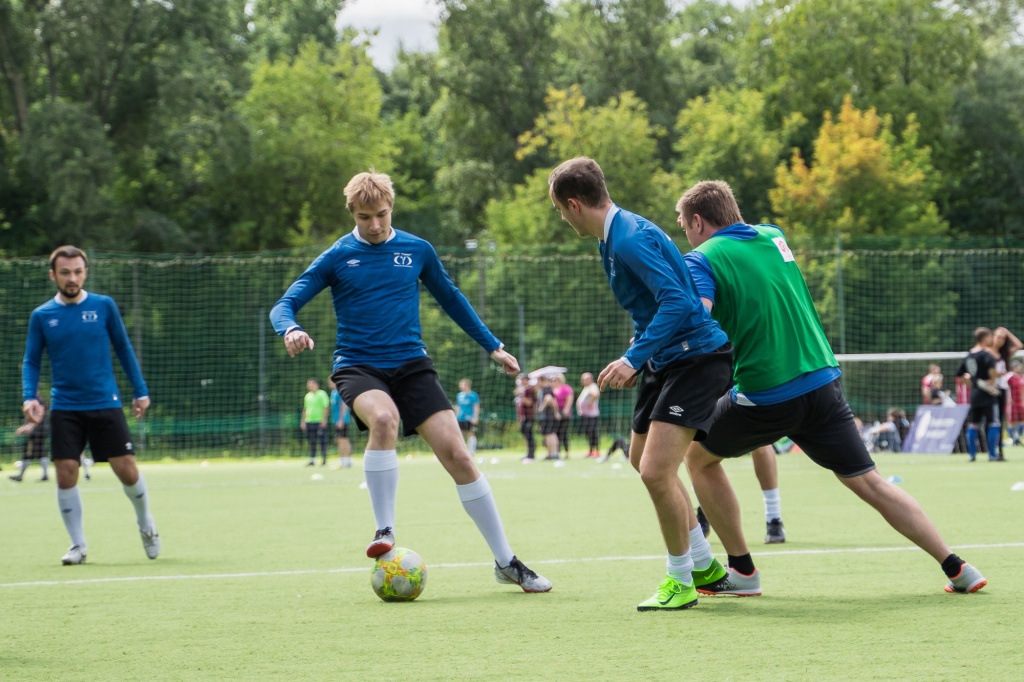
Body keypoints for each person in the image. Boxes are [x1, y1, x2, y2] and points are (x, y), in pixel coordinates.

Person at [677, 180, 986, 595]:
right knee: (871, 482)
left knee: (698, 459)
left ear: (698, 221)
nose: (683, 232)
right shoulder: (774, 236)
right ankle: (957, 567)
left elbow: (698, 320)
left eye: (682, 223)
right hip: (823, 382)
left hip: (766, 394)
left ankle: (743, 572)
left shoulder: (700, 259)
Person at [270, 170, 551, 593]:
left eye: (382, 215)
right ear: (353, 214)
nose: (376, 225)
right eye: (366, 217)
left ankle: (506, 562)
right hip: (358, 366)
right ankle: (384, 530)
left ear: (391, 209)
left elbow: (452, 297)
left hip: (412, 365)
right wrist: (290, 328)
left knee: (459, 455)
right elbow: (285, 303)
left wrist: (492, 345)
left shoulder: (416, 250)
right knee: (384, 420)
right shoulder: (336, 256)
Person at [549, 156, 736, 610]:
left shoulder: (628, 239)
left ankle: (681, 581)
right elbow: (658, 301)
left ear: (573, 204)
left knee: (656, 470)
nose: (561, 217)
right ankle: (705, 563)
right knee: (640, 460)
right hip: (666, 357)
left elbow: (676, 300)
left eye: (559, 209)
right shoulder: (615, 235)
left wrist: (634, 357)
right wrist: (642, 346)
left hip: (696, 358)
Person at [21, 245, 159, 565]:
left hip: (105, 403)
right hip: (65, 406)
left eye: (78, 271)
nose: (73, 278)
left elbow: (124, 349)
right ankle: (78, 545)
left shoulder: (103, 306)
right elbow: (31, 361)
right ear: (53, 275)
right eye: (65, 272)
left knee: (126, 470)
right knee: (66, 471)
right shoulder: (42, 316)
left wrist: (140, 391)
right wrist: (30, 396)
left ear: (86, 272)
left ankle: (146, 524)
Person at [958, 327, 1001, 462]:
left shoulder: (969, 355)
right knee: (993, 423)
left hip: (975, 395)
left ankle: (972, 455)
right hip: (988, 395)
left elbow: (960, 375)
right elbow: (993, 370)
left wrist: (971, 384)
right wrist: (992, 382)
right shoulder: (986, 355)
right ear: (985, 338)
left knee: (973, 424)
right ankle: (992, 454)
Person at [991, 327, 1022, 461]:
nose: (1000, 340)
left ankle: (1000, 450)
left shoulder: (1004, 355)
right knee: (991, 420)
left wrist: (1008, 333)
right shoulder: (987, 352)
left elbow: (1019, 345)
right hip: (988, 389)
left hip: (1001, 390)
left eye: (1003, 338)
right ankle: (990, 449)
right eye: (998, 336)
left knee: (1000, 420)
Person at [10, 395, 51, 482]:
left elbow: (39, 416)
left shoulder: (38, 400)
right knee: (40, 452)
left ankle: (21, 476)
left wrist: (28, 427)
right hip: (39, 430)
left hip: (36, 432)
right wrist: (25, 427)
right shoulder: (34, 399)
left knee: (28, 453)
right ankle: (45, 475)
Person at [301, 377, 331, 466]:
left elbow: (326, 407)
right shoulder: (307, 396)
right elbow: (305, 409)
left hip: (319, 421)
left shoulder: (322, 394)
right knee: (312, 441)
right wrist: (303, 421)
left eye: (311, 384)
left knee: (322, 441)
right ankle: (312, 460)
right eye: (308, 384)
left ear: (316, 384)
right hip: (309, 421)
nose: (310, 386)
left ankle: (324, 459)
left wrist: (324, 419)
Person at [328, 377, 353, 468]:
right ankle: (343, 461)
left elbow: (344, 405)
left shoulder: (340, 392)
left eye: (330, 382)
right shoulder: (333, 393)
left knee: (343, 440)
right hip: (336, 420)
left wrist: (341, 420)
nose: (329, 384)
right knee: (340, 440)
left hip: (342, 421)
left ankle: (346, 461)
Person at [576, 372, 601, 457]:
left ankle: (596, 451)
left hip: (592, 415)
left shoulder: (592, 386)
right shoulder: (586, 388)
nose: (585, 381)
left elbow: (595, 394)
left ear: (591, 379)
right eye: (583, 379)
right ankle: (591, 451)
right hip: (585, 415)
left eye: (587, 379)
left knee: (593, 432)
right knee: (588, 433)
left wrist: (590, 402)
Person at [536, 374, 560, 460]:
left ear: (542, 381)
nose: (537, 383)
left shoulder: (546, 389)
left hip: (547, 416)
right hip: (548, 416)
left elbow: (549, 399)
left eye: (538, 381)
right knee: (550, 434)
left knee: (550, 434)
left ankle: (553, 454)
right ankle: (551, 454)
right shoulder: (546, 389)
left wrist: (541, 408)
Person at [514, 375, 537, 461]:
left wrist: (521, 396)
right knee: (524, 432)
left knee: (529, 434)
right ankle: (528, 453)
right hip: (524, 416)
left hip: (529, 415)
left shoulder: (530, 390)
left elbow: (529, 403)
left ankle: (531, 454)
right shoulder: (523, 390)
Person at [455, 378, 480, 457]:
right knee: (460, 435)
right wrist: (455, 416)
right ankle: (462, 452)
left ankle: (472, 452)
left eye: (462, 385)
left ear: (467, 385)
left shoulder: (473, 395)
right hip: (460, 418)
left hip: (470, 418)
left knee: (471, 434)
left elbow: (476, 406)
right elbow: (458, 407)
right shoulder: (459, 396)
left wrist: (475, 417)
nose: (461, 387)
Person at [552, 373, 574, 458]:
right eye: (553, 380)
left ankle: (567, 452)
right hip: (555, 412)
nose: (554, 382)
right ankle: (557, 452)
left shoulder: (566, 388)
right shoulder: (552, 389)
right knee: (556, 433)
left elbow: (569, 398)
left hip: (564, 412)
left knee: (564, 433)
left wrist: (566, 410)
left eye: (556, 380)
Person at [1007, 361, 1024, 446]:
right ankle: (1013, 438)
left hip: (1021, 402)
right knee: (1011, 421)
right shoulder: (1010, 378)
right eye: (1017, 366)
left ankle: (1017, 437)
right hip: (1012, 402)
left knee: (1022, 420)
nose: (1019, 368)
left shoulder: (1022, 377)